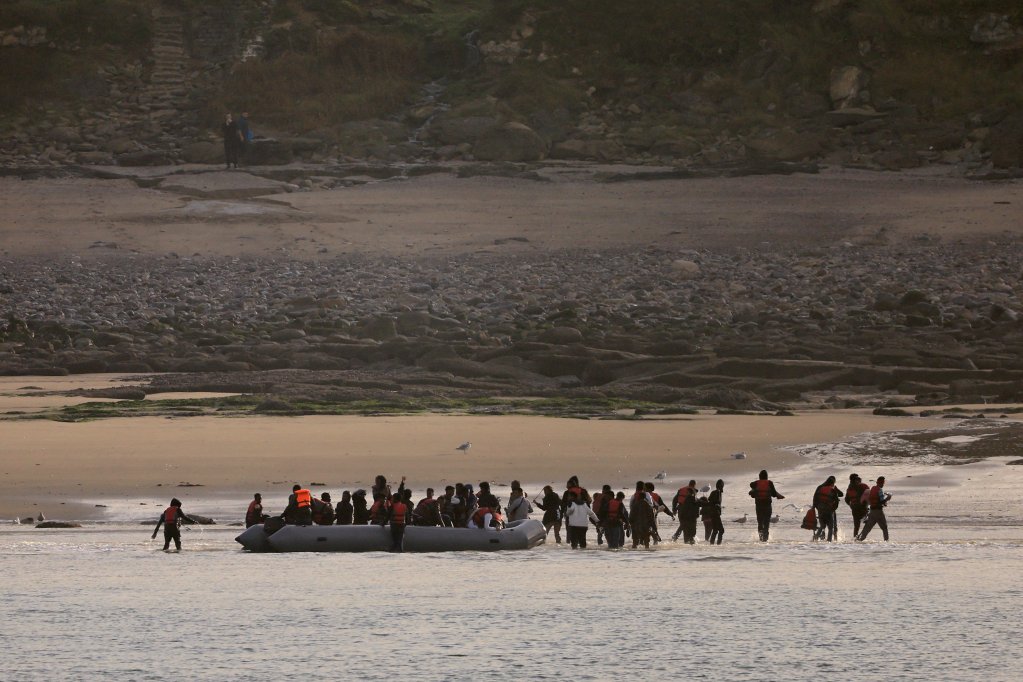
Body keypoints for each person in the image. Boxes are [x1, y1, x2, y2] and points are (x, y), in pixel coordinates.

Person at [749, 470, 785, 541]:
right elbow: (774, 494)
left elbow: (751, 484)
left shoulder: (756, 483)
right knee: (766, 524)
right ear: (767, 477)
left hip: (759, 507)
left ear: (759, 477)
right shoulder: (770, 483)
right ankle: (765, 540)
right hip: (767, 506)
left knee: (760, 523)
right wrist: (777, 495)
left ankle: (761, 539)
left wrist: (754, 488)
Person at [856, 476, 892, 541]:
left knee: (867, 528)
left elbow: (871, 499)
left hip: (872, 511)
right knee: (884, 528)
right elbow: (881, 501)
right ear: (881, 483)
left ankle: (858, 540)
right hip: (878, 512)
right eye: (883, 482)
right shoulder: (880, 490)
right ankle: (886, 542)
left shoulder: (873, 488)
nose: (883, 484)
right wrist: (888, 498)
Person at [812, 476, 842, 542]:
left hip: (820, 509)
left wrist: (816, 508)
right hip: (829, 509)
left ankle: (815, 538)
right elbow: (840, 496)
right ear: (832, 483)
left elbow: (815, 498)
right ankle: (829, 541)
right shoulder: (833, 489)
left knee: (822, 525)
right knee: (831, 527)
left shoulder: (820, 487)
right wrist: (833, 509)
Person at [630, 481, 655, 549]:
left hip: (636, 523)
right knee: (646, 542)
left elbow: (631, 509)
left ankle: (634, 551)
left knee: (635, 542)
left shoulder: (633, 496)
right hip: (645, 523)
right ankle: (646, 551)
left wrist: (630, 523)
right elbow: (651, 506)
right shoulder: (647, 495)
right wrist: (653, 526)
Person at [706, 480, 725, 545]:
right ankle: (718, 544)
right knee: (721, 530)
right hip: (715, 513)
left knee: (715, 530)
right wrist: (717, 505)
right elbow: (714, 502)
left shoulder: (715, 492)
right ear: (721, 486)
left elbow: (709, 499)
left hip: (712, 513)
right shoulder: (717, 492)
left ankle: (712, 544)